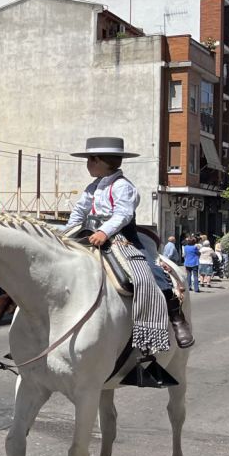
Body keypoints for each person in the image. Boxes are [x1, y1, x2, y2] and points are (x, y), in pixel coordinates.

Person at [65, 137, 192, 376]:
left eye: (91, 159)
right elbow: (78, 213)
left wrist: (104, 231)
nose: (88, 164)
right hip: (89, 235)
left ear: (104, 161)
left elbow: (123, 214)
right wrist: (62, 235)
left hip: (121, 237)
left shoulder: (123, 186)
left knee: (149, 272)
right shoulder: (92, 187)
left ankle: (175, 316)